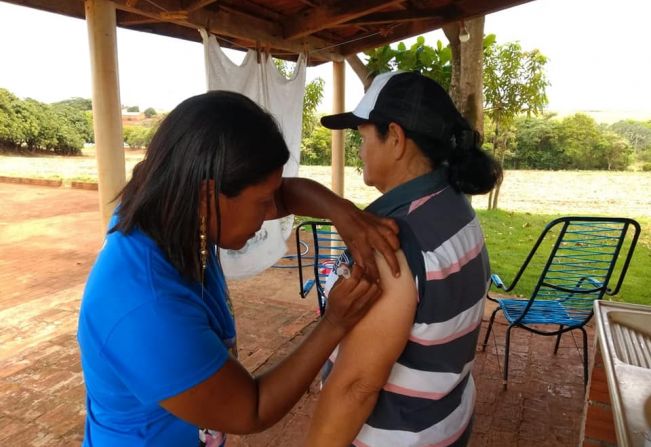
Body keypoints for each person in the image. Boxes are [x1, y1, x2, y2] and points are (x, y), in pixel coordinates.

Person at [76, 90, 402, 447]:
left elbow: (282, 195)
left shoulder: (167, 208)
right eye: (261, 203)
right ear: (206, 196)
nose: (269, 215)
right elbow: (253, 408)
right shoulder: (144, 307)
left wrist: (343, 213)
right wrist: (335, 323)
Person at [306, 71, 503, 447]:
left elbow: (356, 388)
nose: (360, 151)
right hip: (445, 424)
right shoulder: (455, 206)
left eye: (363, 138)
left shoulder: (391, 243)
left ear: (395, 138)